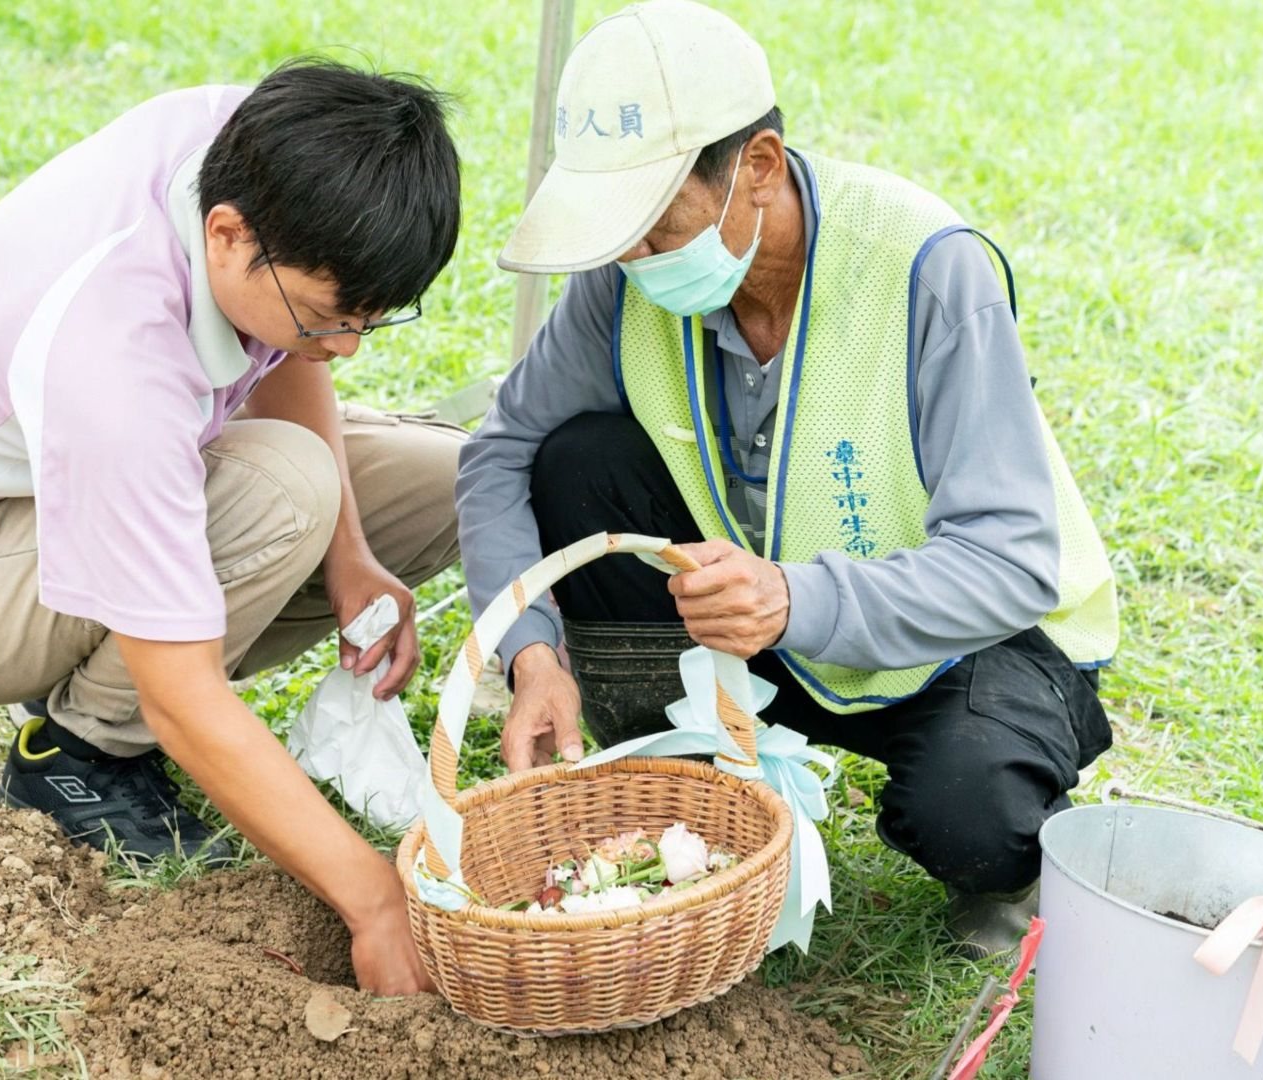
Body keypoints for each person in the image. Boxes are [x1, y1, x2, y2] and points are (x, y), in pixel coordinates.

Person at [455, 0, 1120, 958]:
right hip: (755, 628)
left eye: (652, 222)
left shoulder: (928, 268)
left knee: (972, 813)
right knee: (577, 460)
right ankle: (695, 777)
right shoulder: (624, 278)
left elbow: (1009, 563)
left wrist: (794, 596)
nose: (631, 256)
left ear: (758, 169)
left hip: (963, 642)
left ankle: (1006, 869)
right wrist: (531, 653)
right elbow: (502, 451)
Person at [0, 60, 465, 993]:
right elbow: (182, 692)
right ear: (226, 235)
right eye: (330, 317)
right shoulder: (112, 359)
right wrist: (374, 901)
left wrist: (352, 558)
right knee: (287, 492)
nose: (347, 348)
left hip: (61, 479)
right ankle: (75, 758)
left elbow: (280, 343)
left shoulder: (248, 147)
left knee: (445, 480)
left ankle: (114, 689)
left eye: (369, 320)